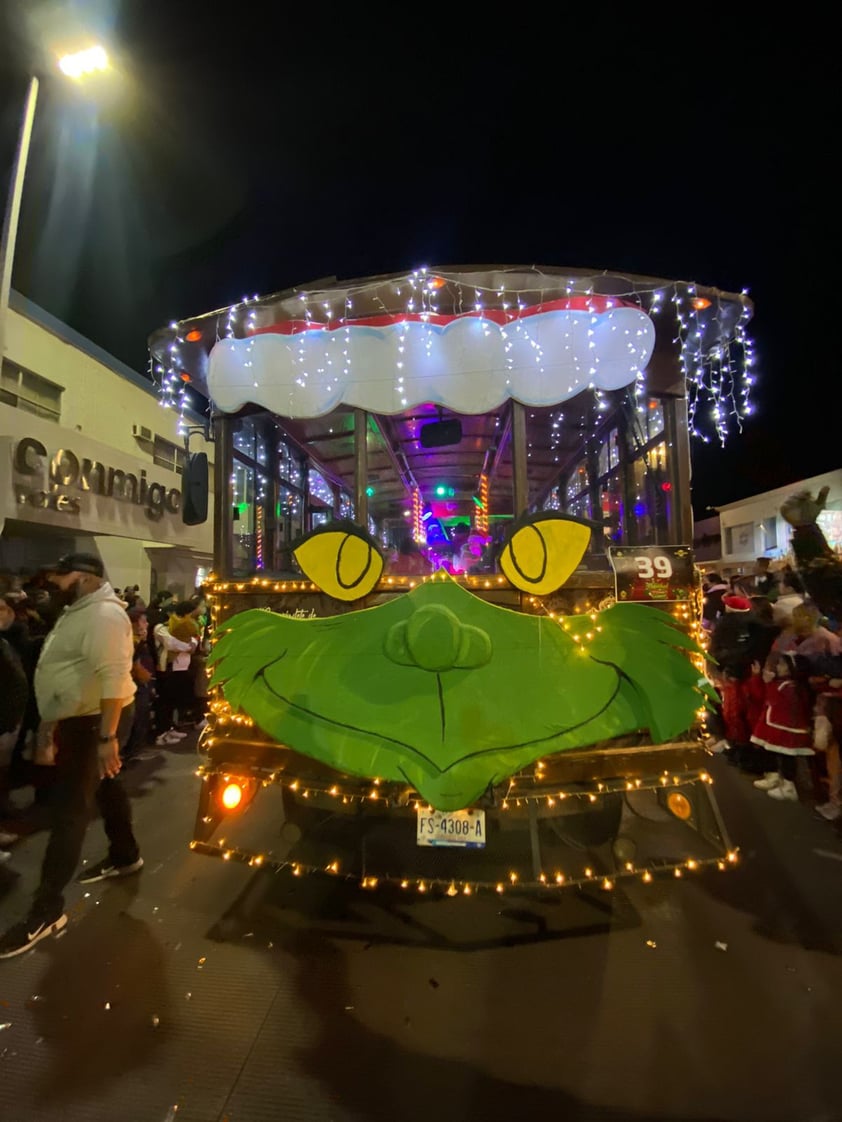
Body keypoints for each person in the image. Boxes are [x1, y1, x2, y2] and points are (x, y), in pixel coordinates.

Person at [0, 553, 142, 960]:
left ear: (83, 578)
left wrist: (107, 737)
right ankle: (125, 853)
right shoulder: (81, 609)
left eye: (59, 578)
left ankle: (46, 911)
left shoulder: (103, 617)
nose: (51, 586)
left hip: (94, 721)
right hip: (84, 720)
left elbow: (114, 678)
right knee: (107, 784)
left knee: (70, 810)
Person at [751, 652, 815, 802]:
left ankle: (788, 787)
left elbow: (778, 703)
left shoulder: (791, 686)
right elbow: (763, 697)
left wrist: (768, 683)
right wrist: (759, 679)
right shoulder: (780, 683)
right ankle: (775, 778)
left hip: (787, 729)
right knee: (777, 754)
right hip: (776, 726)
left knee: (787, 758)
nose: (778, 667)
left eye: (782, 664)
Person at [153, 600, 199, 744]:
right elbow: (171, 643)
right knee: (165, 702)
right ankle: (161, 734)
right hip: (167, 668)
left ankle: (170, 729)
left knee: (172, 701)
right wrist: (189, 646)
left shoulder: (181, 626)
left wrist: (192, 643)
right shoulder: (160, 628)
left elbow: (193, 638)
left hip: (180, 667)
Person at [121, 607, 156, 760]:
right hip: (134, 685)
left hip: (142, 683)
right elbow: (132, 663)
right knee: (135, 718)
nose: (147, 624)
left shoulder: (140, 640)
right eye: (143, 621)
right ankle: (129, 753)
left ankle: (136, 750)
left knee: (141, 717)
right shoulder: (127, 641)